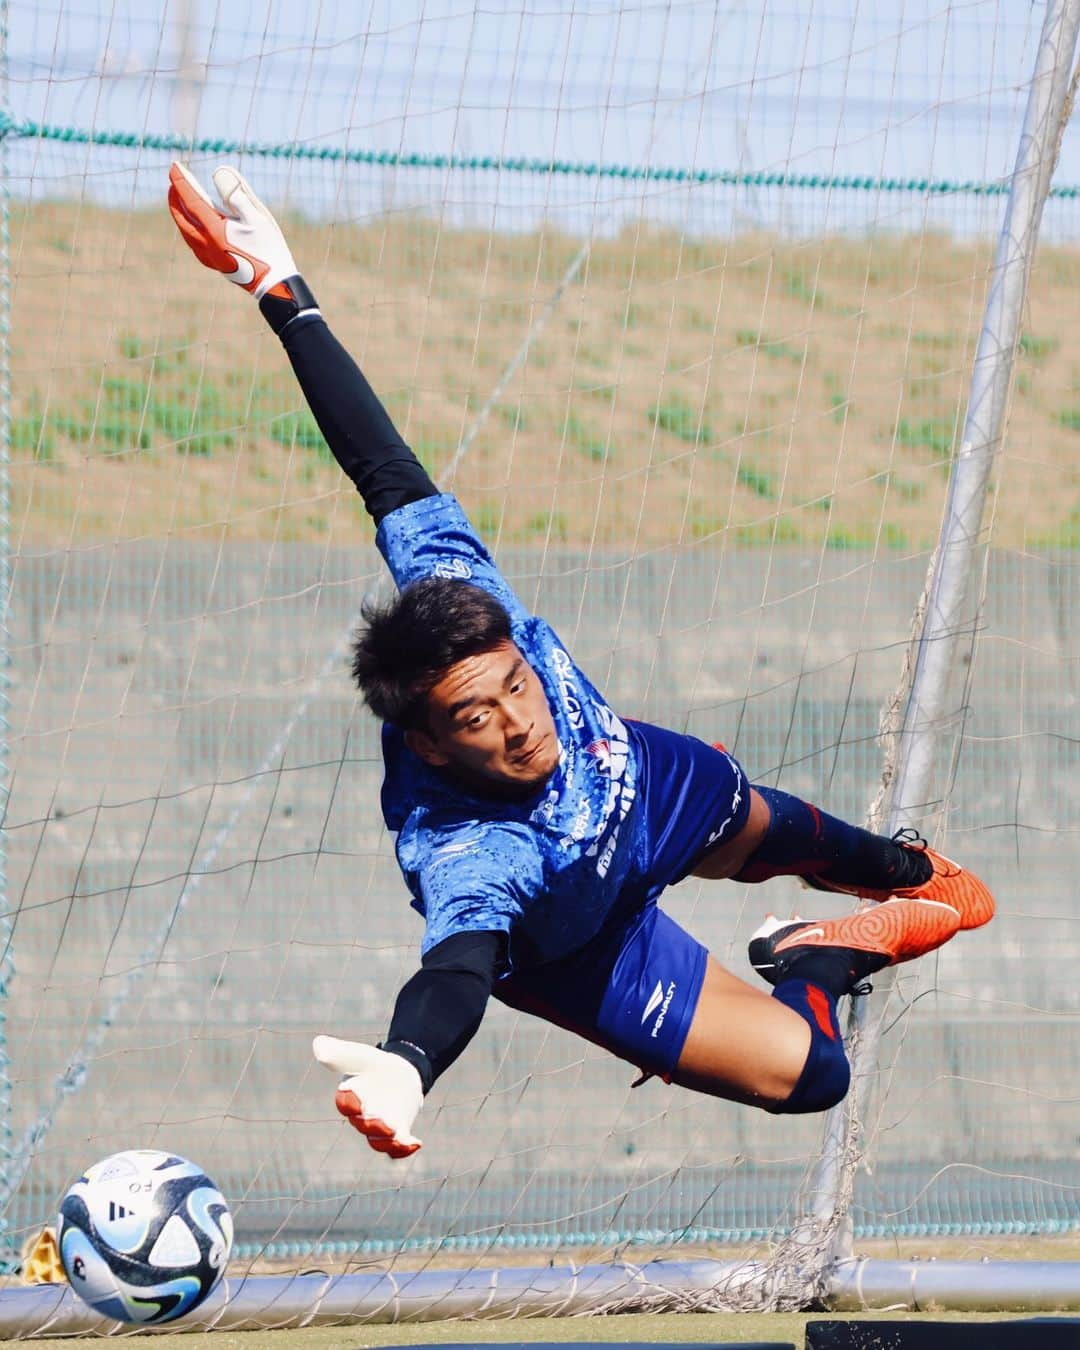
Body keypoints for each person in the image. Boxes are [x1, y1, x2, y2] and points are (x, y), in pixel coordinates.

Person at [167, 163, 995, 1160]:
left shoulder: (462, 590)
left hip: (647, 788)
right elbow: (458, 970)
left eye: (517, 683)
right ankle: (819, 961)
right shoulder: (472, 851)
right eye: (479, 718)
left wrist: (281, 294)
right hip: (582, 942)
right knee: (814, 1075)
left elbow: (379, 466)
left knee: (896, 873)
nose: (520, 718)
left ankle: (905, 875)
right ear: (429, 745)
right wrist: (407, 1062)